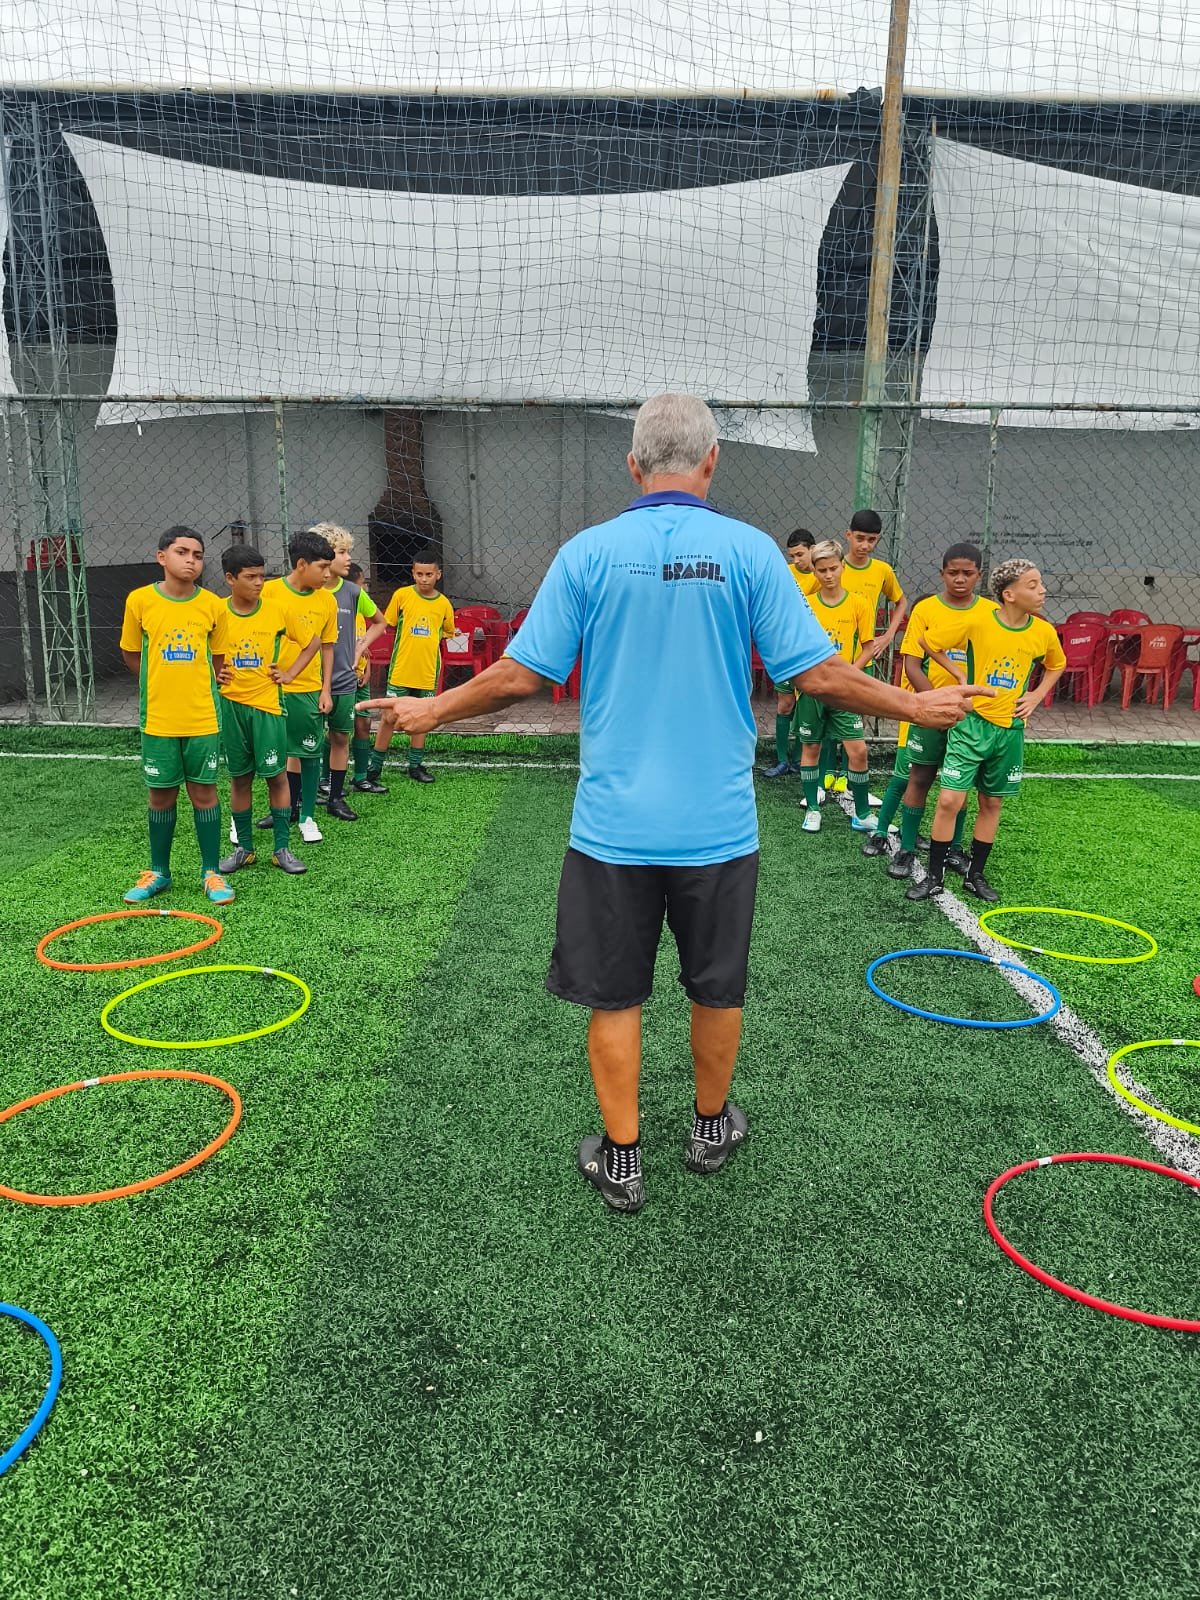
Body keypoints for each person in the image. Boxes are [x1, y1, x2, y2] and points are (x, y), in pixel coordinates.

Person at [360, 394, 983, 1214]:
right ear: (713, 461)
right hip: (716, 829)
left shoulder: (589, 552)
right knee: (715, 987)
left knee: (615, 996)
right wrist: (917, 707)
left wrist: (430, 709)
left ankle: (622, 1159)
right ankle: (708, 1127)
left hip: (612, 830)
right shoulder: (751, 551)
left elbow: (521, 675)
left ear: (632, 465)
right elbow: (819, 674)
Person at [906, 558, 1064, 904]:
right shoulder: (978, 621)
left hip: (1009, 731)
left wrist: (1036, 696)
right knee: (949, 799)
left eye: (1041, 583)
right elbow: (928, 642)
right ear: (1009, 594)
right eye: (1033, 584)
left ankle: (974, 875)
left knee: (991, 802)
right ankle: (934, 877)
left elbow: (1057, 663)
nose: (1042, 590)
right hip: (971, 726)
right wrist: (961, 677)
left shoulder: (1043, 631)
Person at [118, 527, 234, 906]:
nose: (191, 560)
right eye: (182, 552)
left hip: (202, 716)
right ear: (161, 557)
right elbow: (132, 654)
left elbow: (218, 661)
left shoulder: (214, 606)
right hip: (159, 719)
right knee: (160, 795)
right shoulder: (139, 601)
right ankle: (159, 872)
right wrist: (158, 683)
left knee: (204, 792)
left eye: (198, 555)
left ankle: (211, 872)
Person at [863, 542, 989, 880]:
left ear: (979, 575)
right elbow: (912, 665)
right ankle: (905, 846)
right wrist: (933, 702)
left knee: (959, 783)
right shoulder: (926, 610)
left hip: (968, 715)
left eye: (967, 573)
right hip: (930, 711)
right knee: (916, 777)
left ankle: (952, 848)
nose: (960, 579)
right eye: (953, 573)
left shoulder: (989, 613)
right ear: (942, 574)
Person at [213, 543, 315, 877]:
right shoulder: (216, 612)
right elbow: (201, 649)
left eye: (262, 576)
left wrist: (289, 674)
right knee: (239, 778)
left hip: (268, 707)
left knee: (277, 776)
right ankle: (244, 848)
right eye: (250, 577)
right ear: (230, 578)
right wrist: (213, 671)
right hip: (231, 707)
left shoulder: (275, 611)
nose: (259, 583)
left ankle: (282, 849)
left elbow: (312, 642)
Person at [255, 532, 338, 843]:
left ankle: (307, 817)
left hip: (306, 690)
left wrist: (326, 689)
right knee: (272, 754)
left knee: (308, 752)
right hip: (267, 690)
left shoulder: (326, 600)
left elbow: (326, 647)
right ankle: (281, 809)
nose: (328, 575)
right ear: (301, 564)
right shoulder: (269, 592)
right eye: (323, 568)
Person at [793, 540, 878, 835]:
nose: (829, 575)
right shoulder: (806, 605)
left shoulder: (859, 603)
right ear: (814, 572)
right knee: (811, 747)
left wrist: (847, 676)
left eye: (833, 568)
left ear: (843, 566)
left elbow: (868, 647)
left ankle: (863, 814)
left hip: (844, 691)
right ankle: (814, 810)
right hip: (813, 691)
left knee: (858, 751)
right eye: (822, 570)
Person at [362, 548, 456, 786]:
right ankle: (375, 766)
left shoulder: (444, 604)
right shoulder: (402, 596)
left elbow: (447, 632)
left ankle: (415, 765)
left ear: (438, 575)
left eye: (429, 574)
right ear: (413, 574)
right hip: (401, 670)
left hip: (426, 672)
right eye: (419, 574)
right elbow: (387, 623)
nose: (424, 579)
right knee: (389, 718)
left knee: (422, 718)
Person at [314, 524, 387, 820]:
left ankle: (336, 796)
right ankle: (298, 801)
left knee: (339, 737)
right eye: (342, 552)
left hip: (343, 679)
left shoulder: (354, 592)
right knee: (304, 742)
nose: (348, 559)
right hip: (306, 682)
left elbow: (380, 623)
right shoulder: (306, 592)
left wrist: (358, 649)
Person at [762, 528, 818, 778]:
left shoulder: (823, 574)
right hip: (785, 647)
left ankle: (800, 759)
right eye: (792, 555)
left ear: (812, 550)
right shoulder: (785, 573)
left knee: (809, 706)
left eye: (799, 554)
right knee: (785, 704)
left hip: (810, 649)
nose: (795, 560)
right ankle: (782, 759)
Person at [346, 561, 387, 792]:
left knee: (364, 723)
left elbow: (364, 645)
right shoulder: (337, 613)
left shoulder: (361, 614)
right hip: (342, 679)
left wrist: (368, 669)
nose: (365, 591)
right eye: (362, 585)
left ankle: (361, 777)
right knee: (337, 730)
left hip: (361, 677)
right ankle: (326, 780)